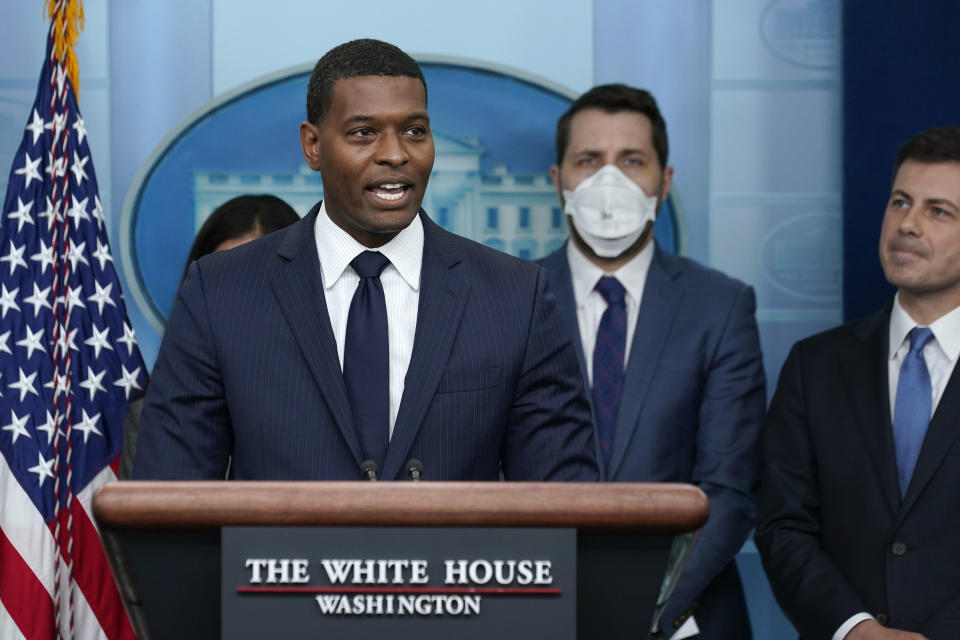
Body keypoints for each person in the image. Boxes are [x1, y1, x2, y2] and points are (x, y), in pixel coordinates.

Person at [133, 39, 597, 482]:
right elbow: (172, 500)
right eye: (364, 133)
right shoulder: (221, 293)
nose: (395, 154)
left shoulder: (516, 296)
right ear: (313, 146)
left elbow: (564, 507)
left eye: (414, 131)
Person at [537, 84, 765, 638]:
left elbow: (729, 488)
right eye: (588, 160)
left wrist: (647, 609)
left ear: (664, 182)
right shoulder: (504, 300)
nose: (607, 182)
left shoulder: (722, 306)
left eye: (631, 161)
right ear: (558, 180)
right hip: (537, 609)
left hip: (685, 617)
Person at [757, 126, 960, 640]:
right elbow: (784, 525)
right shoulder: (815, 365)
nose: (908, 225)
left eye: (938, 211)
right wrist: (855, 629)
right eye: (899, 202)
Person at [119, 193, 301, 479]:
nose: (242, 308)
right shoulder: (153, 417)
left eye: (258, 287)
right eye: (224, 286)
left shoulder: (342, 410)